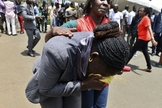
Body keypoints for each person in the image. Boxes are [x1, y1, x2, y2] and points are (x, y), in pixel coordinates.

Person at [25, 21, 130, 108]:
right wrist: (84, 85)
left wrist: (115, 69)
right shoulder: (58, 52)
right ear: (93, 57)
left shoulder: (99, 47)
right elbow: (46, 89)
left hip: (72, 77)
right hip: (51, 82)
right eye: (103, 74)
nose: (104, 77)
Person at [126, 7, 157, 72]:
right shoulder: (143, 18)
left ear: (145, 12)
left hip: (143, 39)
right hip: (144, 38)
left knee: (132, 51)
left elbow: (149, 29)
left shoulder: (146, 18)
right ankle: (149, 67)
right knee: (145, 52)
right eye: (139, 10)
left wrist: (153, 39)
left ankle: (122, 65)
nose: (139, 12)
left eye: (141, 11)